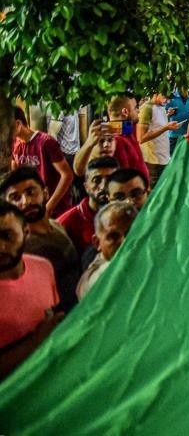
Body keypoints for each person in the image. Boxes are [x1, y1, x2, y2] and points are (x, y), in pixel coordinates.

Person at [1, 167, 79, 311]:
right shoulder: (21, 249)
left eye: (31, 192)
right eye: (15, 198)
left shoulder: (57, 226)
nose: (26, 201)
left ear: (45, 192)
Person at [0, 201, 62, 381]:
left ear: (26, 232)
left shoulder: (43, 266)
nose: (0, 246)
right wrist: (35, 342)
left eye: (7, 236)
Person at [11, 106, 74, 218]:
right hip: (34, 208)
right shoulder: (14, 145)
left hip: (57, 210)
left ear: (18, 124)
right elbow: (16, 176)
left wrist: (49, 207)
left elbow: (67, 175)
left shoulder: (46, 142)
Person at [74, 96, 148, 182]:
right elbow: (79, 170)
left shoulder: (127, 129)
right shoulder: (109, 140)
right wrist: (89, 143)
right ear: (125, 112)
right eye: (135, 108)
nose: (138, 110)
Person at [56, 156, 118, 255]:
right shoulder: (66, 223)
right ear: (86, 187)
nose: (103, 187)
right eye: (97, 180)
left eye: (110, 180)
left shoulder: (127, 215)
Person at [76, 202, 138, 299]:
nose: (124, 242)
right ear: (97, 243)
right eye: (113, 236)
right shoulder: (97, 279)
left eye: (130, 233)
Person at [137, 92, 181, 188]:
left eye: (169, 99)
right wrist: (166, 128)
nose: (167, 101)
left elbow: (156, 126)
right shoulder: (147, 108)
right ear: (156, 93)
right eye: (165, 97)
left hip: (163, 159)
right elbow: (141, 138)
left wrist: (168, 116)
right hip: (153, 162)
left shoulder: (161, 107)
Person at [166, 87, 189, 154]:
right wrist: (168, 112)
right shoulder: (171, 98)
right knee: (173, 158)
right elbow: (164, 114)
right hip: (174, 136)